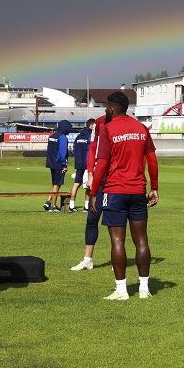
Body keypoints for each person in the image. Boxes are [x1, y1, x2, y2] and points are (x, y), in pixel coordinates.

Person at [89, 92, 159, 300]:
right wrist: (154, 187)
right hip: (138, 191)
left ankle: (121, 290)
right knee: (141, 240)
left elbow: (101, 163)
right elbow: (152, 160)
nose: (105, 110)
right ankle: (144, 289)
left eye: (106, 107)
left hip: (115, 191)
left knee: (117, 240)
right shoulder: (141, 128)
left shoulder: (108, 129)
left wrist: (93, 193)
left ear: (111, 108)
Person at [70, 115, 107, 270]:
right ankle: (87, 259)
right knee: (92, 218)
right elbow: (92, 149)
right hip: (99, 177)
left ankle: (117, 258)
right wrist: (90, 174)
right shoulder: (99, 122)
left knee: (115, 222)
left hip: (116, 179)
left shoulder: (128, 125)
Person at [43, 119, 71, 212]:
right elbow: (63, 152)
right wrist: (64, 165)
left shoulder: (52, 136)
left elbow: (48, 150)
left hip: (51, 162)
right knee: (57, 184)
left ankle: (48, 201)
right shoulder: (63, 137)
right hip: (58, 163)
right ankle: (53, 206)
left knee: (54, 183)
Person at [68, 119, 94, 213]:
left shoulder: (78, 136)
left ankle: (71, 205)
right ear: (91, 126)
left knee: (76, 184)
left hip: (78, 163)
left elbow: (74, 150)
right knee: (88, 186)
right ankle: (86, 207)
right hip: (87, 164)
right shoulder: (91, 136)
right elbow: (92, 150)